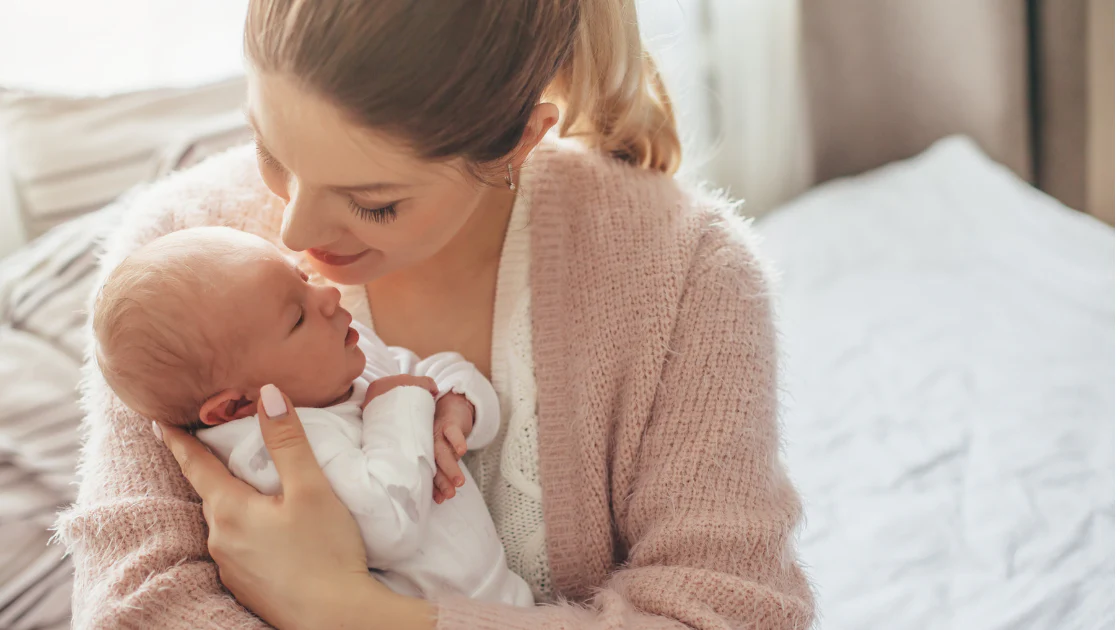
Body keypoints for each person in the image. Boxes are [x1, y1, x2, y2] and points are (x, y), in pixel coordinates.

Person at [59, 1, 815, 628]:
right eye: (271, 151)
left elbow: (733, 612)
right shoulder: (174, 260)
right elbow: (135, 602)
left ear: (519, 141)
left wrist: (346, 612)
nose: (294, 235)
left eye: (373, 202)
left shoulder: (686, 275)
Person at [89, 226, 533, 606]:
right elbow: (390, 528)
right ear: (235, 407)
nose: (327, 294)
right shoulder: (271, 453)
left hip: (505, 598)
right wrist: (397, 403)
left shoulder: (343, 363)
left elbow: (436, 371)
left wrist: (457, 405)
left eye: (302, 277)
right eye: (297, 317)